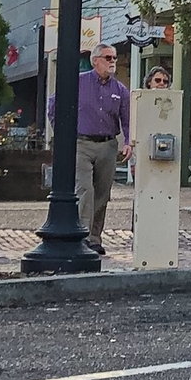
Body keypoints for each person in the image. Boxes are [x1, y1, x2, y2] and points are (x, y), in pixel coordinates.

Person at [48, 44, 131, 254]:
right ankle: (82, 236)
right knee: (85, 189)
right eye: (108, 58)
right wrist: (60, 133)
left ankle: (95, 237)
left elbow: (127, 119)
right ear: (95, 61)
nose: (113, 62)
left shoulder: (120, 90)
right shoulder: (77, 82)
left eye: (114, 58)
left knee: (102, 193)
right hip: (80, 143)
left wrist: (128, 142)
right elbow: (54, 104)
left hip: (108, 145)